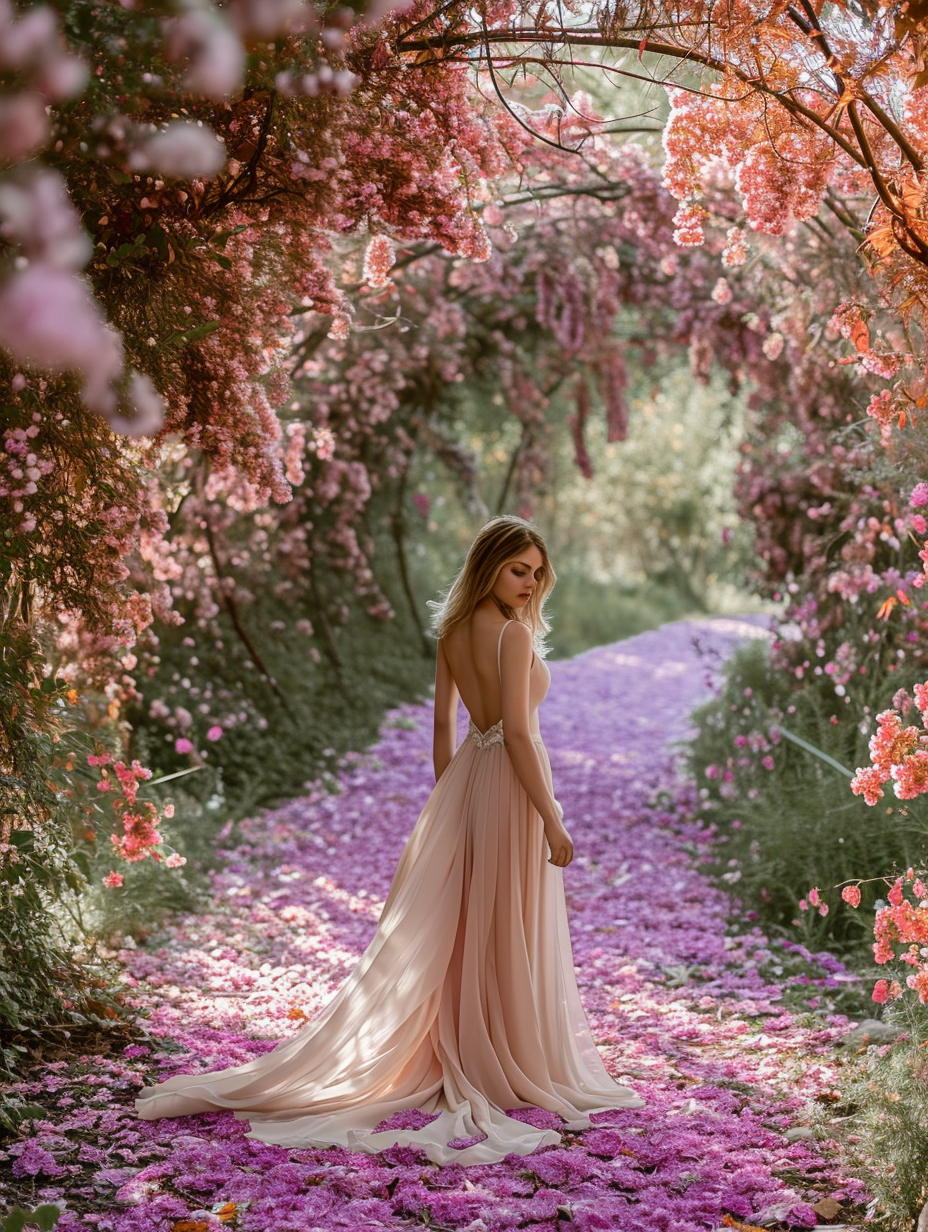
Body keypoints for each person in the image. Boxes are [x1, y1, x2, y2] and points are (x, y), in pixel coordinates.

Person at [135, 515, 644, 1165]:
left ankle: (475, 1046)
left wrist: (450, 797)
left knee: (469, 919)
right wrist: (552, 817)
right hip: (514, 787)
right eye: (519, 568)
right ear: (488, 564)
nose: (530, 582)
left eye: (538, 572)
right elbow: (517, 733)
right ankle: (501, 1057)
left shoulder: (453, 632)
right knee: (499, 917)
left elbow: (443, 725)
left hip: (466, 781)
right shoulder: (513, 637)